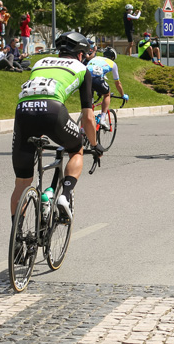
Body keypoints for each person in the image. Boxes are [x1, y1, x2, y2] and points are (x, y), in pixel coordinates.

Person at [10, 31, 102, 224]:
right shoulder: (82, 69)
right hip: (52, 110)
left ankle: (17, 241)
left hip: (23, 111)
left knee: (22, 182)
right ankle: (65, 196)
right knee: (76, 150)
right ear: (80, 54)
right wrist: (95, 145)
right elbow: (88, 116)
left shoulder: (40, 62)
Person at [85, 42, 127, 126]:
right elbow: (117, 83)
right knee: (107, 94)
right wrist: (122, 95)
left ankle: (83, 128)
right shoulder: (112, 64)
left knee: (89, 106)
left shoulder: (94, 58)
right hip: (96, 79)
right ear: (112, 57)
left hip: (84, 78)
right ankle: (103, 119)